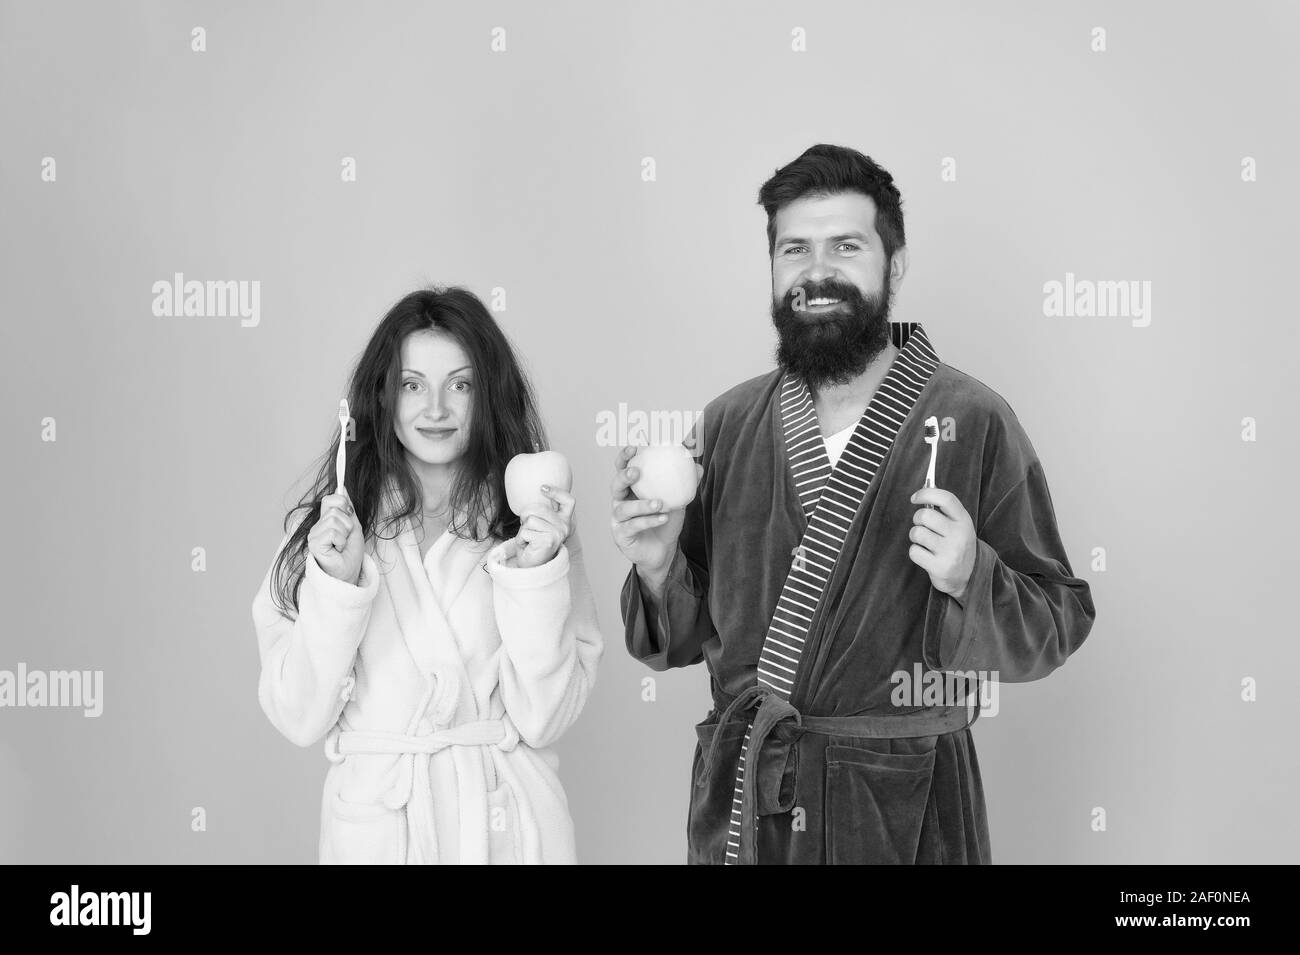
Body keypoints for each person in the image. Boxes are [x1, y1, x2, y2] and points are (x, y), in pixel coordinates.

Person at [612, 144, 1096, 865]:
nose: (816, 272)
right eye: (794, 249)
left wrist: (973, 576)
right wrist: (656, 569)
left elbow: (1059, 618)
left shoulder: (972, 418)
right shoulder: (727, 424)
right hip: (756, 811)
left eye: (845, 246)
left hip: (904, 808)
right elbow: (680, 641)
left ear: (893, 266)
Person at [252, 287, 602, 864]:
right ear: (383, 398)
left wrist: (534, 574)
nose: (435, 408)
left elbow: (544, 718)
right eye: (412, 385)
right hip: (381, 831)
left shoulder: (532, 524)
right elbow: (297, 714)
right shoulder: (335, 530)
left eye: (460, 385)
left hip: (503, 830)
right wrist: (335, 588)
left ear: (487, 396)